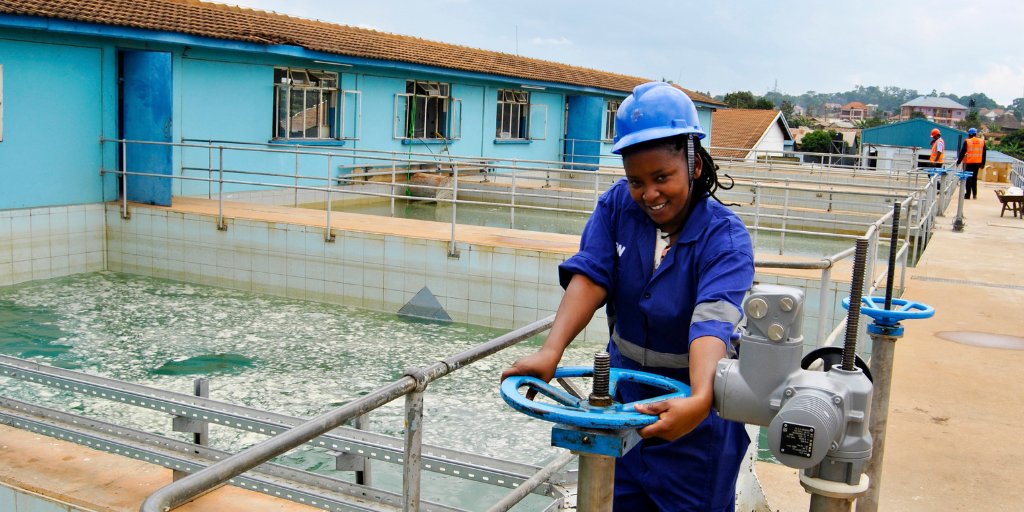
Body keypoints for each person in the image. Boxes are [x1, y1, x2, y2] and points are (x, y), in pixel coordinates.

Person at [500, 81, 754, 511]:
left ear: (693, 164)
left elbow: (711, 322)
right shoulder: (618, 206)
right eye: (636, 181)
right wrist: (550, 352)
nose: (649, 194)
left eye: (661, 178)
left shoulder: (724, 239)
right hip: (621, 407)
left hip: (696, 425)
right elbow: (591, 276)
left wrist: (699, 399)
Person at [956, 127, 986, 199]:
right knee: (974, 178)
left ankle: (967, 195)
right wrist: (983, 164)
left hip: (968, 163)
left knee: (968, 178)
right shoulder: (982, 141)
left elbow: (962, 152)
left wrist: (958, 161)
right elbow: (984, 153)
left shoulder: (967, 141)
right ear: (975, 134)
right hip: (977, 163)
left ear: (969, 134)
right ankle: (974, 194)